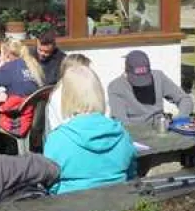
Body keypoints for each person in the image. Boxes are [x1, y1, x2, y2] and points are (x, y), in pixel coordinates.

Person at [44, 65, 136, 194]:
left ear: (66, 96)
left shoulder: (57, 139)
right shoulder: (122, 134)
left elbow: (50, 184)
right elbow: (131, 173)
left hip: (70, 208)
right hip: (117, 205)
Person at [107, 50, 193, 128]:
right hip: (135, 134)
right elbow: (121, 123)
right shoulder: (116, 87)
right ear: (126, 71)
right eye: (137, 79)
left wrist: (179, 119)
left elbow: (184, 99)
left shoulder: (158, 77)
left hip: (161, 127)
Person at [0, 37, 45, 137]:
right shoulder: (33, 64)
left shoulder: (10, 67)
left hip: (17, 120)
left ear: (7, 54)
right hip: (34, 118)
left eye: (1, 53)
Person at [45, 53, 92, 136]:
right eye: (86, 71)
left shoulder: (79, 89)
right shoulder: (59, 94)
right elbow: (69, 124)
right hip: (66, 139)